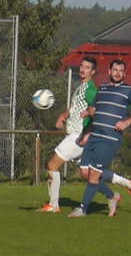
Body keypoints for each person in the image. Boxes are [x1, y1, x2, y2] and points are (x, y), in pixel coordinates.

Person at [68, 59, 131, 218]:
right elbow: (94, 109)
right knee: (85, 173)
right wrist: (88, 117)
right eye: (115, 69)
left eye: (121, 70)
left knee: (95, 174)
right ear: (109, 72)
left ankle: (82, 209)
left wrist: (126, 122)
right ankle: (112, 196)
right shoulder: (102, 89)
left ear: (124, 74)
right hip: (94, 136)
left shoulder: (129, 90)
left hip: (109, 138)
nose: (117, 73)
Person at [36, 57, 98, 213]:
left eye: (87, 67)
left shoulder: (90, 89)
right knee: (90, 173)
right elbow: (73, 108)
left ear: (93, 71)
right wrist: (63, 115)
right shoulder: (80, 87)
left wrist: (88, 131)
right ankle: (126, 186)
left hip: (78, 136)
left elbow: (95, 110)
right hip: (74, 135)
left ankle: (54, 205)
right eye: (82, 66)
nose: (83, 69)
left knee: (52, 165)